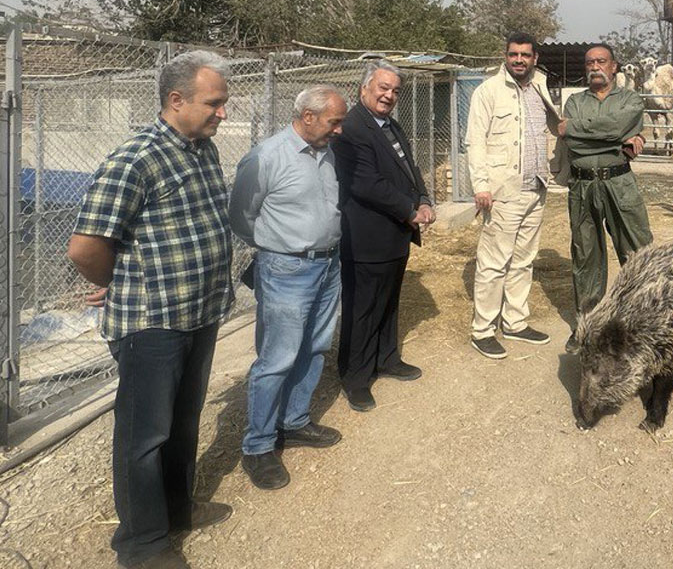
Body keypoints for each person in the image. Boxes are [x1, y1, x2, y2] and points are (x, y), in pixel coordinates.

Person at [68, 50, 234, 569]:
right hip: (151, 324)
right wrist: (114, 281)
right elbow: (85, 246)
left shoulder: (199, 147)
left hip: (199, 312)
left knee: (183, 423)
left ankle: (176, 511)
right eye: (215, 103)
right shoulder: (133, 159)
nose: (222, 113)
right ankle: (141, 544)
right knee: (145, 436)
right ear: (175, 99)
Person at [228, 86, 348, 490]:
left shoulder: (325, 152)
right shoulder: (267, 157)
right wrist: (277, 250)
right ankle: (259, 445)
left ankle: (294, 422)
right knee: (276, 358)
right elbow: (242, 216)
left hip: (327, 264)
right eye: (335, 121)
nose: (340, 130)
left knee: (314, 347)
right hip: (286, 269)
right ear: (309, 116)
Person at [333, 60, 434, 412]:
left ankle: (386, 358)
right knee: (362, 309)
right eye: (382, 88)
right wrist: (410, 210)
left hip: (394, 235)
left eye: (394, 90)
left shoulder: (389, 125)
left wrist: (423, 198)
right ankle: (355, 377)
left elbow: (410, 168)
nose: (389, 95)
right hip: (366, 237)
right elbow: (365, 182)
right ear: (364, 88)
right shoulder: (352, 128)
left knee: (389, 301)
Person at [465, 32, 562, 360]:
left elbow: (553, 130)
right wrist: (481, 185)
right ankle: (483, 329)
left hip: (536, 188)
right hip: (502, 192)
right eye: (513, 54)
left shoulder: (540, 87)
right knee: (494, 262)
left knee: (523, 260)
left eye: (525, 55)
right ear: (505, 56)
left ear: (535, 57)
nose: (518, 60)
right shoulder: (488, 91)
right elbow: (475, 141)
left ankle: (515, 322)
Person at [557, 43, 653, 353]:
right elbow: (577, 144)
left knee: (638, 252)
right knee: (586, 257)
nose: (595, 66)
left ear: (613, 67)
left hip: (619, 183)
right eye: (589, 62)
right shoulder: (574, 102)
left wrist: (581, 132)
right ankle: (588, 325)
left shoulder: (630, 99)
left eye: (601, 61)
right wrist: (611, 140)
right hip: (583, 187)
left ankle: (643, 323)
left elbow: (616, 126)